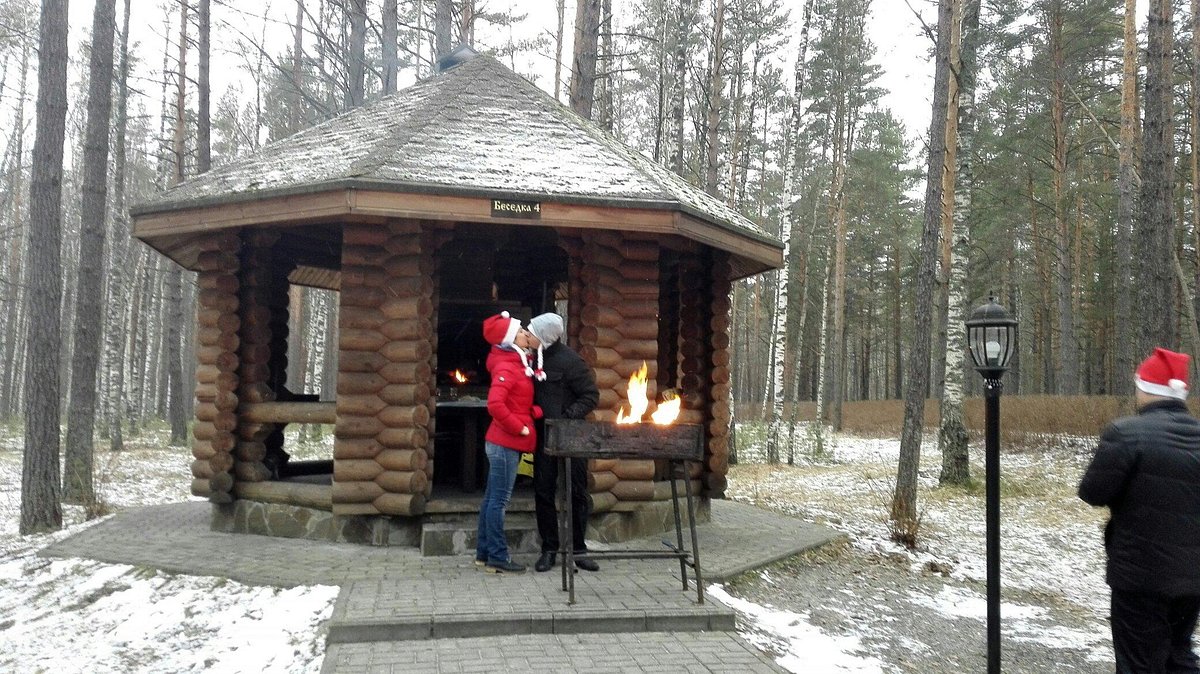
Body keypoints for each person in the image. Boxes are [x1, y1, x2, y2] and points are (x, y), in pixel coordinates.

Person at [1079, 347, 1200, 673]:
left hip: (1139, 575)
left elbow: (1092, 492)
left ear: (1146, 389)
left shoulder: (1126, 433)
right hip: (1192, 578)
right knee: (1179, 656)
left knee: (1138, 663)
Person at [526, 312, 601, 573]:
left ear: (545, 336)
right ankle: (549, 549)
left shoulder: (571, 361)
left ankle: (579, 550)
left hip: (572, 439)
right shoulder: (531, 359)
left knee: (577, 493)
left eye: (532, 332)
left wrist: (567, 418)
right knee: (543, 492)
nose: (528, 336)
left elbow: (590, 396)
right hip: (545, 439)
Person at [475, 311, 543, 574]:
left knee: (491, 499)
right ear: (511, 338)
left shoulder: (516, 362)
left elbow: (517, 401)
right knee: (499, 502)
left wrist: (532, 413)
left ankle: (484, 554)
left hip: (503, 442)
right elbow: (495, 405)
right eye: (521, 331)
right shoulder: (507, 366)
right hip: (504, 444)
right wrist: (520, 427)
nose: (526, 333)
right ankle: (498, 556)